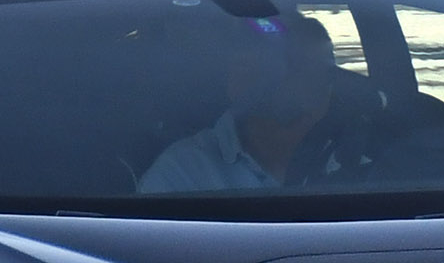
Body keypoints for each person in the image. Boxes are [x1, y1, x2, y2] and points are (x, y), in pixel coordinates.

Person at [140, 16, 344, 193]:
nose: (320, 83)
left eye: (327, 72)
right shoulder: (183, 172)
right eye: (294, 66)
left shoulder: (362, 154)